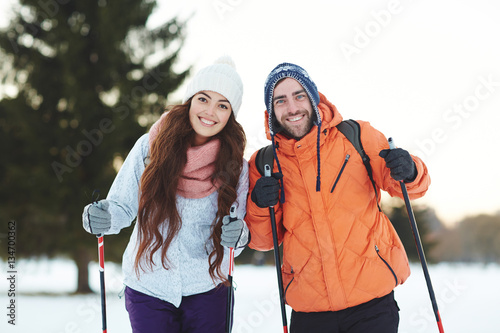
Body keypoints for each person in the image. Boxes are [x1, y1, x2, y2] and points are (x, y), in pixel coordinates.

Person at [246, 62, 431, 333]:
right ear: (271, 110)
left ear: (313, 97)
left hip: (372, 305)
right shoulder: (264, 162)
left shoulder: (356, 136)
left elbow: (412, 187)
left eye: (299, 95)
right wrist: (260, 205)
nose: (292, 107)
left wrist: (411, 169)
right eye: (280, 100)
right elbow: (262, 241)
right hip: (310, 313)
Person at [82, 56, 250, 333]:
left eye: (223, 105)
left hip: (208, 287)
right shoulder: (151, 147)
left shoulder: (236, 166)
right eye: (203, 99)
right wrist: (100, 217)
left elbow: (236, 233)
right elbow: (121, 207)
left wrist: (238, 235)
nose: (210, 111)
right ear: (189, 100)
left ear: (231, 115)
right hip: (149, 286)